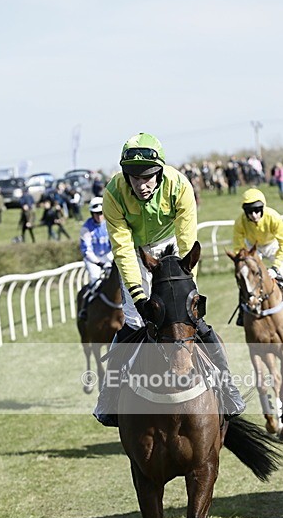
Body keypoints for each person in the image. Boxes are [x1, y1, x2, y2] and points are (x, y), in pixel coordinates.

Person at [94, 132, 244, 426]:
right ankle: (109, 394)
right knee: (134, 322)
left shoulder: (179, 185)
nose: (142, 184)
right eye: (134, 177)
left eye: (149, 176)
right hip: (136, 253)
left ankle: (227, 386)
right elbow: (122, 247)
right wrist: (138, 295)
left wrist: (189, 289)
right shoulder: (112, 194)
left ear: (160, 171)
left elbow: (188, 241)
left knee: (191, 317)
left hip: (172, 248)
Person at [232, 188, 283, 324]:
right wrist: (243, 261)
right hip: (252, 248)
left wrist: (275, 268)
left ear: (263, 208)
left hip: (272, 245)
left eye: (257, 210)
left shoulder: (273, 217)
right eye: (250, 212)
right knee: (247, 278)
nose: (254, 215)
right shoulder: (240, 222)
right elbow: (238, 248)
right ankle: (242, 311)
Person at [77, 196, 113, 320]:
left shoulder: (110, 223)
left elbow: (115, 244)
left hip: (108, 256)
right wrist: (99, 263)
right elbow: (86, 250)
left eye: (100, 213)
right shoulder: (86, 228)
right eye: (95, 214)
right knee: (95, 279)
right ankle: (85, 308)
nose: (99, 216)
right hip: (93, 260)